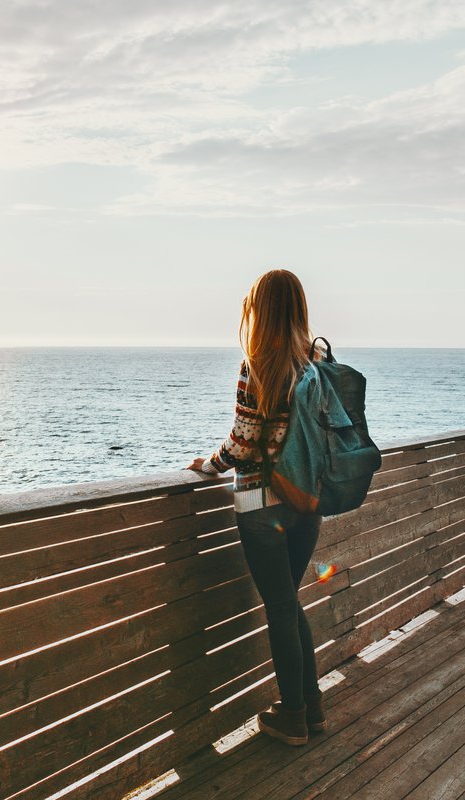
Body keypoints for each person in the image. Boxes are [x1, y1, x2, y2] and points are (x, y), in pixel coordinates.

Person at [186, 269, 326, 747]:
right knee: (290, 603)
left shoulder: (257, 364)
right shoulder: (318, 361)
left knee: (282, 607)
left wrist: (210, 464)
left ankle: (292, 716)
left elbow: (243, 443)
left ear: (259, 311)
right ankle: (312, 709)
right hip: (307, 503)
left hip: (262, 506)